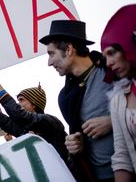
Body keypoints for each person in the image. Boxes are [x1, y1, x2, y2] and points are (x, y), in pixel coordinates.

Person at [39, 20, 114, 181]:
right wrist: (76, 145)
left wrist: (113, 121)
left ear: (68, 49)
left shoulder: (114, 71)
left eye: (51, 54)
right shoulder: (65, 98)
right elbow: (80, 139)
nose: (49, 63)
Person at [101, 4, 136, 182]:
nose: (108, 63)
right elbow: (122, 155)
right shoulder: (118, 101)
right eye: (105, 56)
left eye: (112, 53)